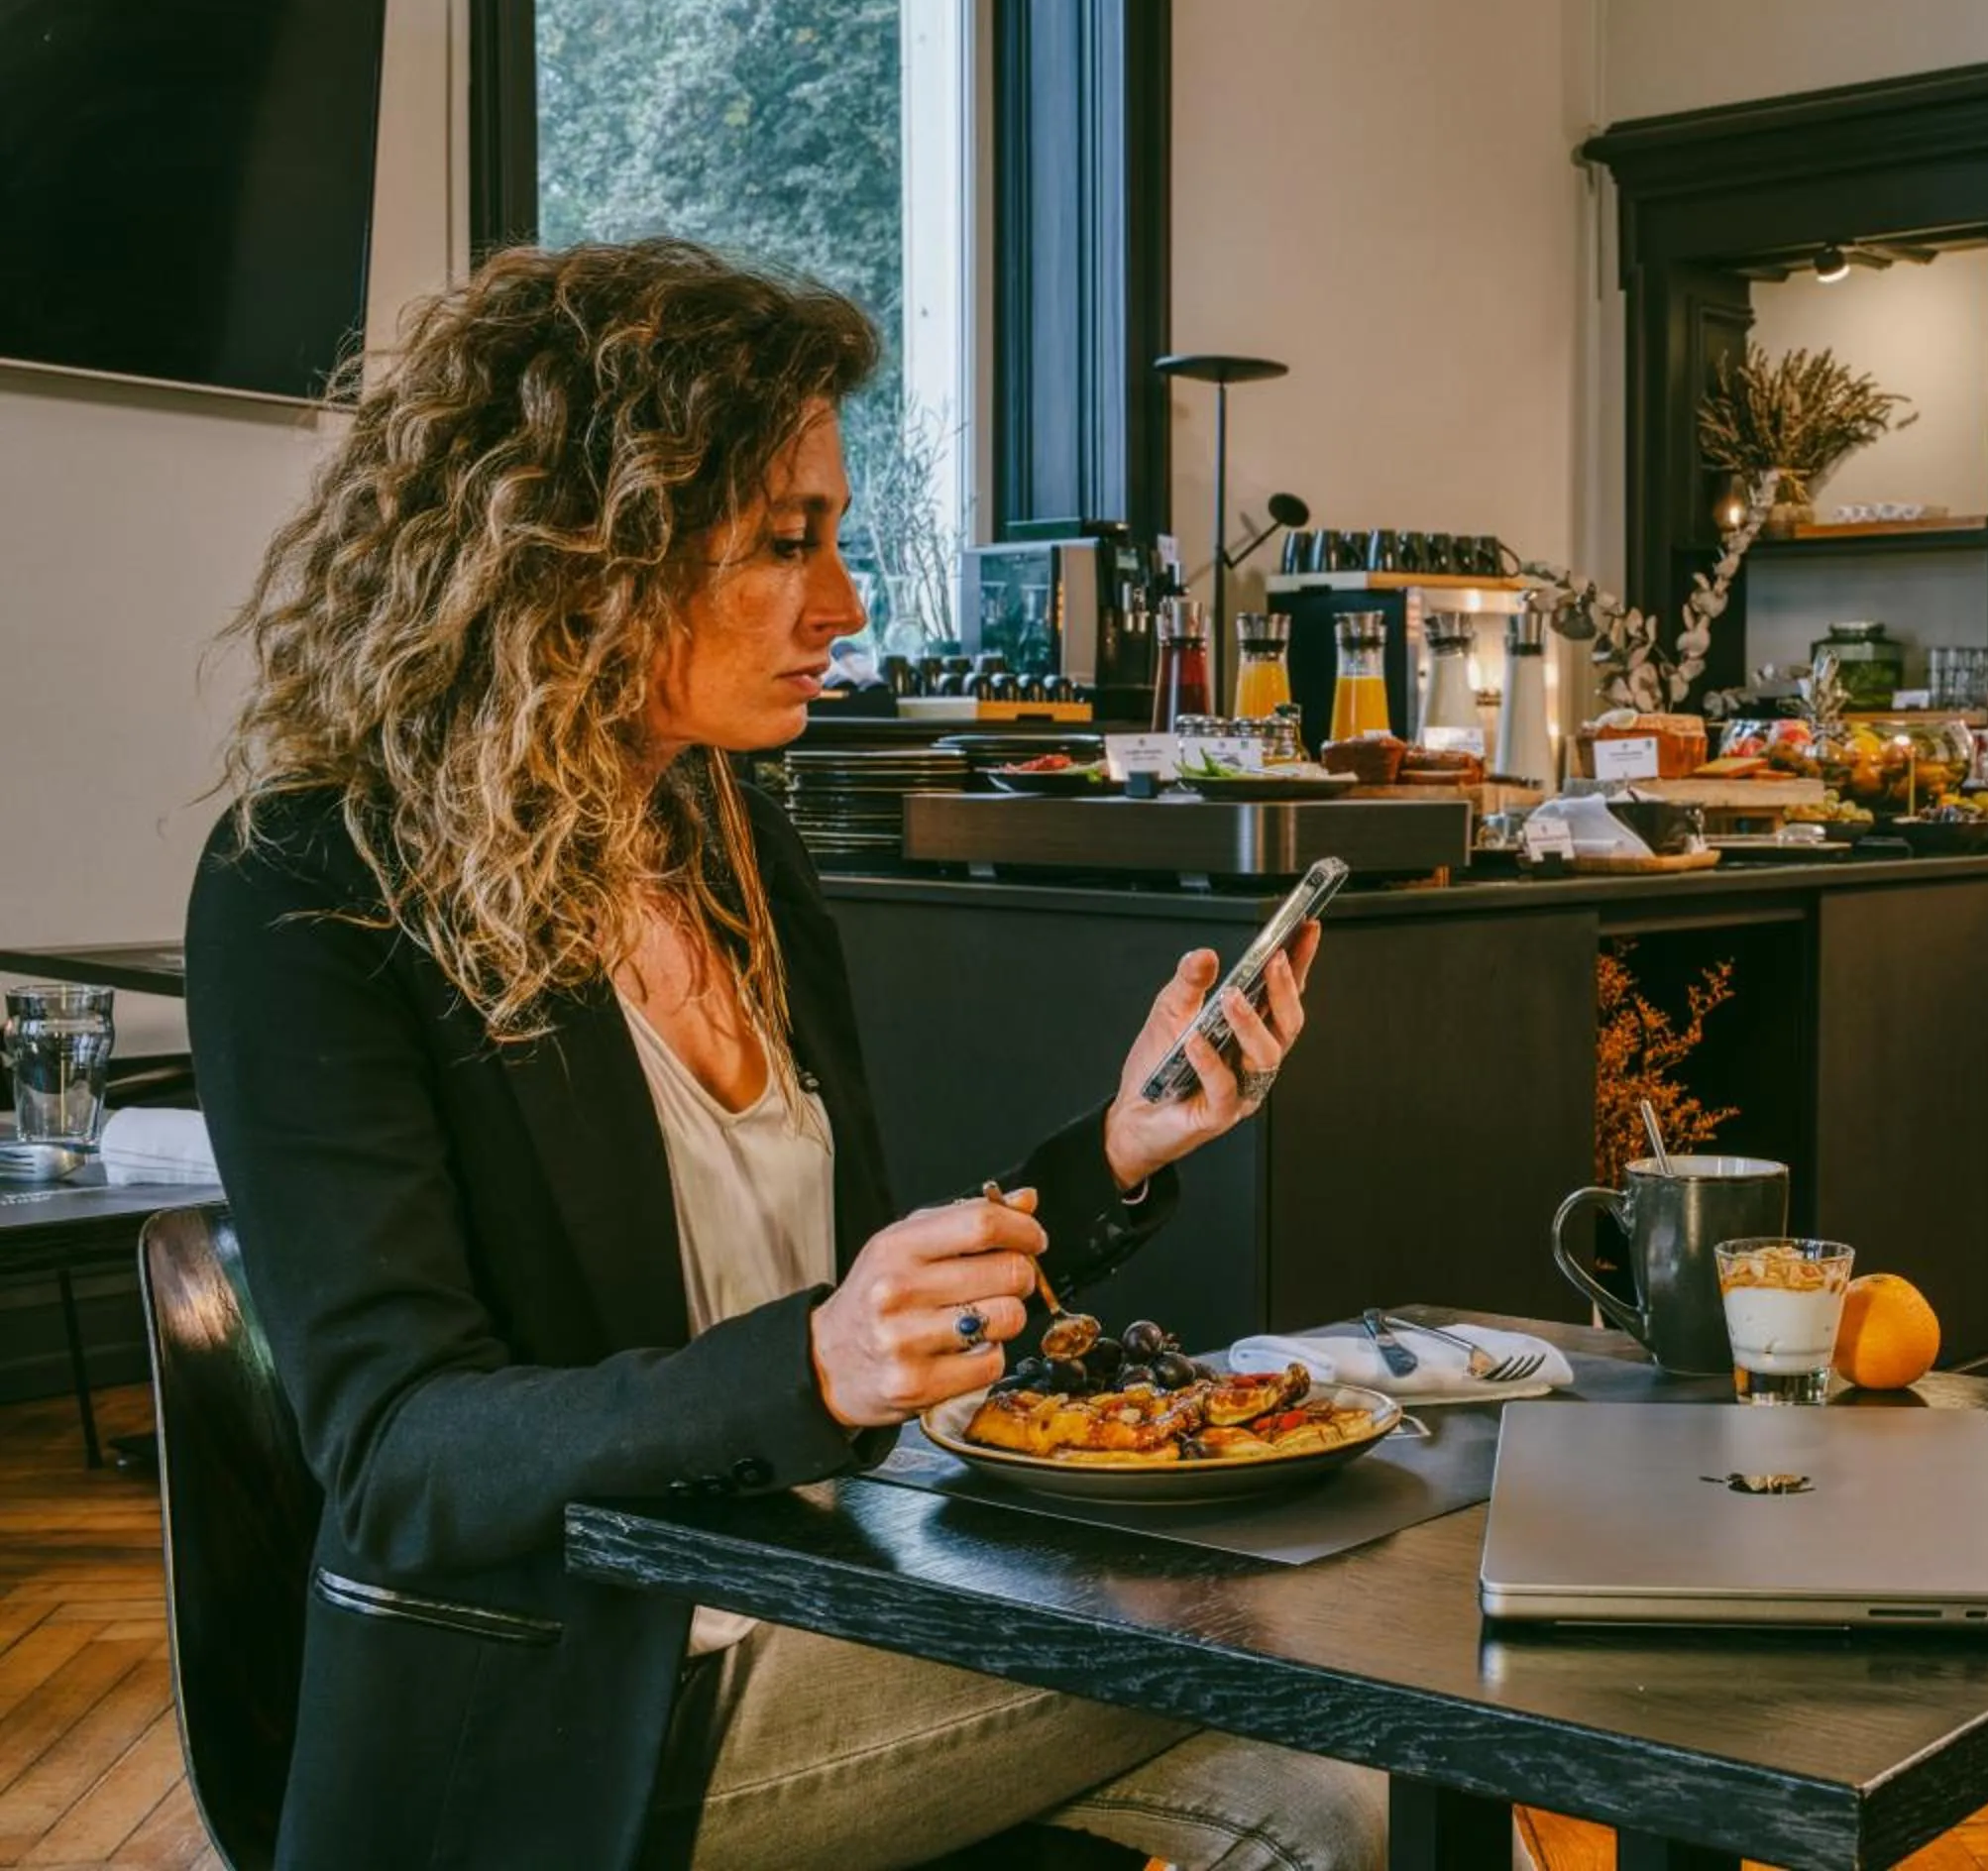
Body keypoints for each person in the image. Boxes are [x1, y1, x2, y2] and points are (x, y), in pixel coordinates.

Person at [186, 239, 1381, 1871]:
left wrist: (1117, 1149)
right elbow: (403, 1456)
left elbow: (860, 1310)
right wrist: (811, 1369)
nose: (845, 605)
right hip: (572, 1713)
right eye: (782, 542)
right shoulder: (313, 888)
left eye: (834, 537)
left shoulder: (733, 839)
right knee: (1308, 1647)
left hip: (834, 1597)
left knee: (1336, 1802)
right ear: (579, 550)